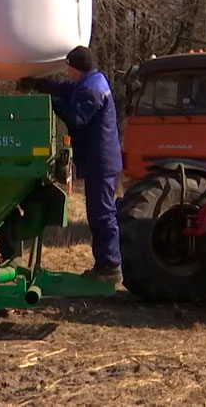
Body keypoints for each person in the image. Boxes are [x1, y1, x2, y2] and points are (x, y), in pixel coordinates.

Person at [17, 46, 123, 283]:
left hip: (101, 162)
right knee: (98, 214)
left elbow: (76, 118)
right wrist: (37, 83)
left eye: (68, 67)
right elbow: (65, 88)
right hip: (100, 160)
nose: (66, 72)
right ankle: (104, 264)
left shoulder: (92, 91)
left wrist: (50, 102)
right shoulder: (91, 81)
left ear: (76, 67)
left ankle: (111, 266)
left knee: (103, 215)